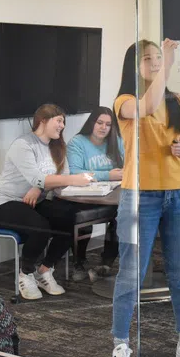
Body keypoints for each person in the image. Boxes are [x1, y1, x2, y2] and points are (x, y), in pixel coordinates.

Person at [110, 38, 180, 357]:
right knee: (130, 275)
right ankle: (121, 345)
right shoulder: (126, 101)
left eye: (159, 58)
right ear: (134, 65)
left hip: (178, 194)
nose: (156, 63)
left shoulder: (179, 102)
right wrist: (170, 64)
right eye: (148, 59)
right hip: (138, 196)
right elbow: (147, 107)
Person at [0, 104, 94, 301]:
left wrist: (39, 187)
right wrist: (43, 183)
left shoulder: (57, 147)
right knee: (41, 227)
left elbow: (58, 178)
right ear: (42, 120)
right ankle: (25, 273)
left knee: (72, 218)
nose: (62, 125)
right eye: (58, 120)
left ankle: (44, 271)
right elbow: (47, 178)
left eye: (63, 122)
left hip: (33, 202)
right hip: (4, 204)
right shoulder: (23, 145)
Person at [66, 107, 124, 281]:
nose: (103, 128)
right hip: (85, 196)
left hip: (113, 195)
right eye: (99, 123)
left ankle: (106, 263)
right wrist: (108, 175)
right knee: (83, 219)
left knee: (121, 216)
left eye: (108, 124)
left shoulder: (117, 141)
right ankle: (79, 262)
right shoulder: (78, 142)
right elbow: (75, 172)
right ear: (92, 122)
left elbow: (129, 166)